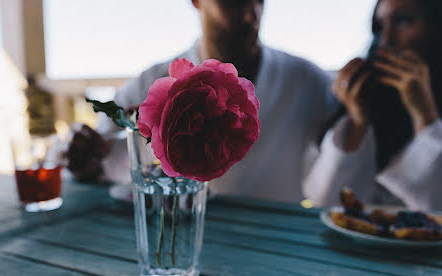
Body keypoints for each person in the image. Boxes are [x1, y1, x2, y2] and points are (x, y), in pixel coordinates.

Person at [68, 0, 336, 202]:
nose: (249, 15)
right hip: (182, 239)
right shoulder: (151, 83)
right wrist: (85, 157)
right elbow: (100, 152)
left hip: (283, 251)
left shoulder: (306, 82)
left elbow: (347, 153)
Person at [303, 0, 442, 210]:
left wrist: (425, 116)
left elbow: (434, 211)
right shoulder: (361, 104)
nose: (386, 40)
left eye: (404, 21)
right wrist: (357, 121)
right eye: (379, 26)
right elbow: (323, 202)